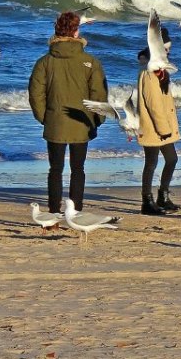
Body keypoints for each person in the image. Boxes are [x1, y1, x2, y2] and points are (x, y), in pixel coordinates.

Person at [28, 11, 107, 213]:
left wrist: (45, 118)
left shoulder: (44, 62)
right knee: (78, 169)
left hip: (55, 121)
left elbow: (36, 94)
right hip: (82, 122)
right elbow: (98, 95)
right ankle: (76, 212)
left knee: (55, 169)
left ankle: (54, 212)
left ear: (57, 31)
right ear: (75, 32)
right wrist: (97, 119)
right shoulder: (90, 62)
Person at [136, 26, 180, 215]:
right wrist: (164, 128)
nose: (168, 52)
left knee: (171, 159)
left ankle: (163, 195)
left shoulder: (161, 71)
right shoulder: (149, 73)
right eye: (166, 49)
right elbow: (154, 105)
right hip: (153, 127)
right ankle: (147, 201)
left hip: (163, 126)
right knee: (151, 162)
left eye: (169, 49)